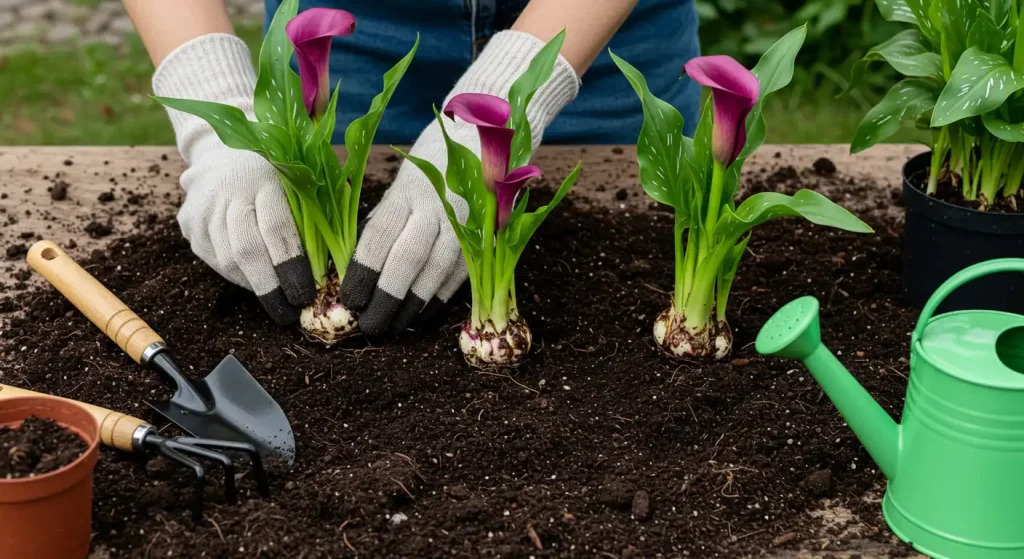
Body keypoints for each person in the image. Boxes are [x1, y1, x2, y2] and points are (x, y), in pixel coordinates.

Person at [124, 0, 700, 335]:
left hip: (595, 38)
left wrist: (519, 83)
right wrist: (212, 99)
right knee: (318, 180)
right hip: (359, 31)